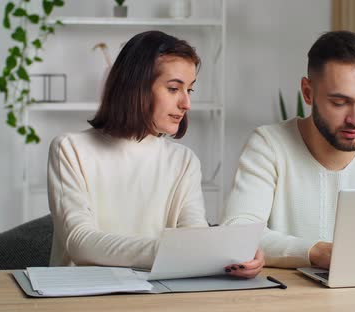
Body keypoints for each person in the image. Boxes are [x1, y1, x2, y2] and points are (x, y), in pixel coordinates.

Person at [47, 30, 263, 278]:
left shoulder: (184, 161)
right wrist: (177, 249)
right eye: (173, 89)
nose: (186, 103)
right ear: (135, 88)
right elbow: (80, 243)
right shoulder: (70, 149)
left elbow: (194, 236)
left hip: (157, 294)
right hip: (80, 295)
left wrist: (235, 256)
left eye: (189, 90)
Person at [222, 30, 355, 269]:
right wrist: (314, 252)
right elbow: (239, 233)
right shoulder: (269, 145)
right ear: (308, 92)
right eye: (339, 103)